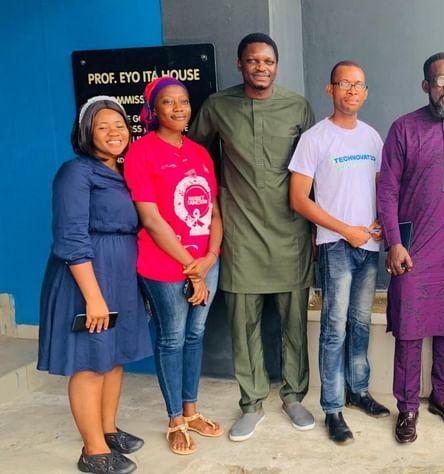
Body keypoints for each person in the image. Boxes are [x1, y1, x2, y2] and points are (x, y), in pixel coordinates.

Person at [189, 33, 316, 440]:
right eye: (253, 61)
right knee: (244, 323)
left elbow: (315, 171)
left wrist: (318, 226)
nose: (261, 67)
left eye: (268, 61)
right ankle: (251, 403)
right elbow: (195, 155)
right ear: (240, 64)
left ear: (276, 66)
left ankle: (294, 397)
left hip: (291, 232)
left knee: (294, 322)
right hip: (241, 232)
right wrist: (208, 207)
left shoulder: (297, 106)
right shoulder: (217, 106)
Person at [38, 96, 152, 473]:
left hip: (119, 274)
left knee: (113, 357)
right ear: (87, 133)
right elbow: (70, 237)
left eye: (119, 125)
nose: (114, 132)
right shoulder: (76, 172)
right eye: (102, 127)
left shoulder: (122, 173)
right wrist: (93, 296)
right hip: (86, 276)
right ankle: (92, 450)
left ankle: (107, 430)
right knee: (89, 361)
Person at [377, 51, 444, 444]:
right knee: (410, 330)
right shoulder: (403, 128)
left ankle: (443, 397)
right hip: (413, 249)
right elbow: (387, 190)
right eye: (440, 80)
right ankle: (407, 408)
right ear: (426, 86)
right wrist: (394, 243)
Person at [288, 60, 390, 445]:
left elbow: (383, 186)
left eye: (359, 85)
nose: (352, 91)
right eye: (344, 84)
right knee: (334, 328)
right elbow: (298, 199)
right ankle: (332, 407)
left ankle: (358, 391)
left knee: (360, 324)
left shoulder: (371, 137)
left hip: (370, 246)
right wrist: (343, 229)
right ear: (330, 90)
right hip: (336, 247)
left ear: (365, 93)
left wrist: (382, 220)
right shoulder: (315, 138)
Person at [124, 77, 224, 455]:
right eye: (169, 102)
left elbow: (215, 211)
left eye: (183, 101)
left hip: (204, 262)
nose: (179, 108)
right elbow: (150, 219)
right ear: (153, 110)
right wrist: (191, 267)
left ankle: (192, 410)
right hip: (165, 266)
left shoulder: (199, 152)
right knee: (172, 338)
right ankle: (174, 421)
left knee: (196, 336)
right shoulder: (141, 152)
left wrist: (209, 258)